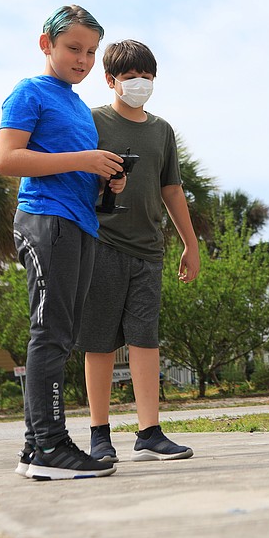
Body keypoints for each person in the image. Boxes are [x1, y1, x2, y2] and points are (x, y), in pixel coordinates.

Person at [0, 5, 125, 480]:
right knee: (50, 333)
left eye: (91, 52)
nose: (84, 60)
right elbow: (7, 159)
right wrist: (83, 159)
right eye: (74, 48)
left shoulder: (76, 106)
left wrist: (106, 179)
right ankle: (51, 444)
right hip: (45, 222)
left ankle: (35, 449)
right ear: (46, 44)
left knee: (63, 335)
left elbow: (74, 166)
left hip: (81, 224)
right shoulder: (29, 92)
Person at [76, 39, 199, 463]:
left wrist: (190, 242)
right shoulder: (90, 120)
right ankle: (99, 433)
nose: (140, 84)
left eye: (147, 77)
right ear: (111, 80)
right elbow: (74, 174)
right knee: (100, 342)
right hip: (101, 244)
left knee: (146, 340)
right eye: (131, 77)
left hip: (149, 250)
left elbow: (172, 188)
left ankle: (150, 432)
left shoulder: (162, 130)